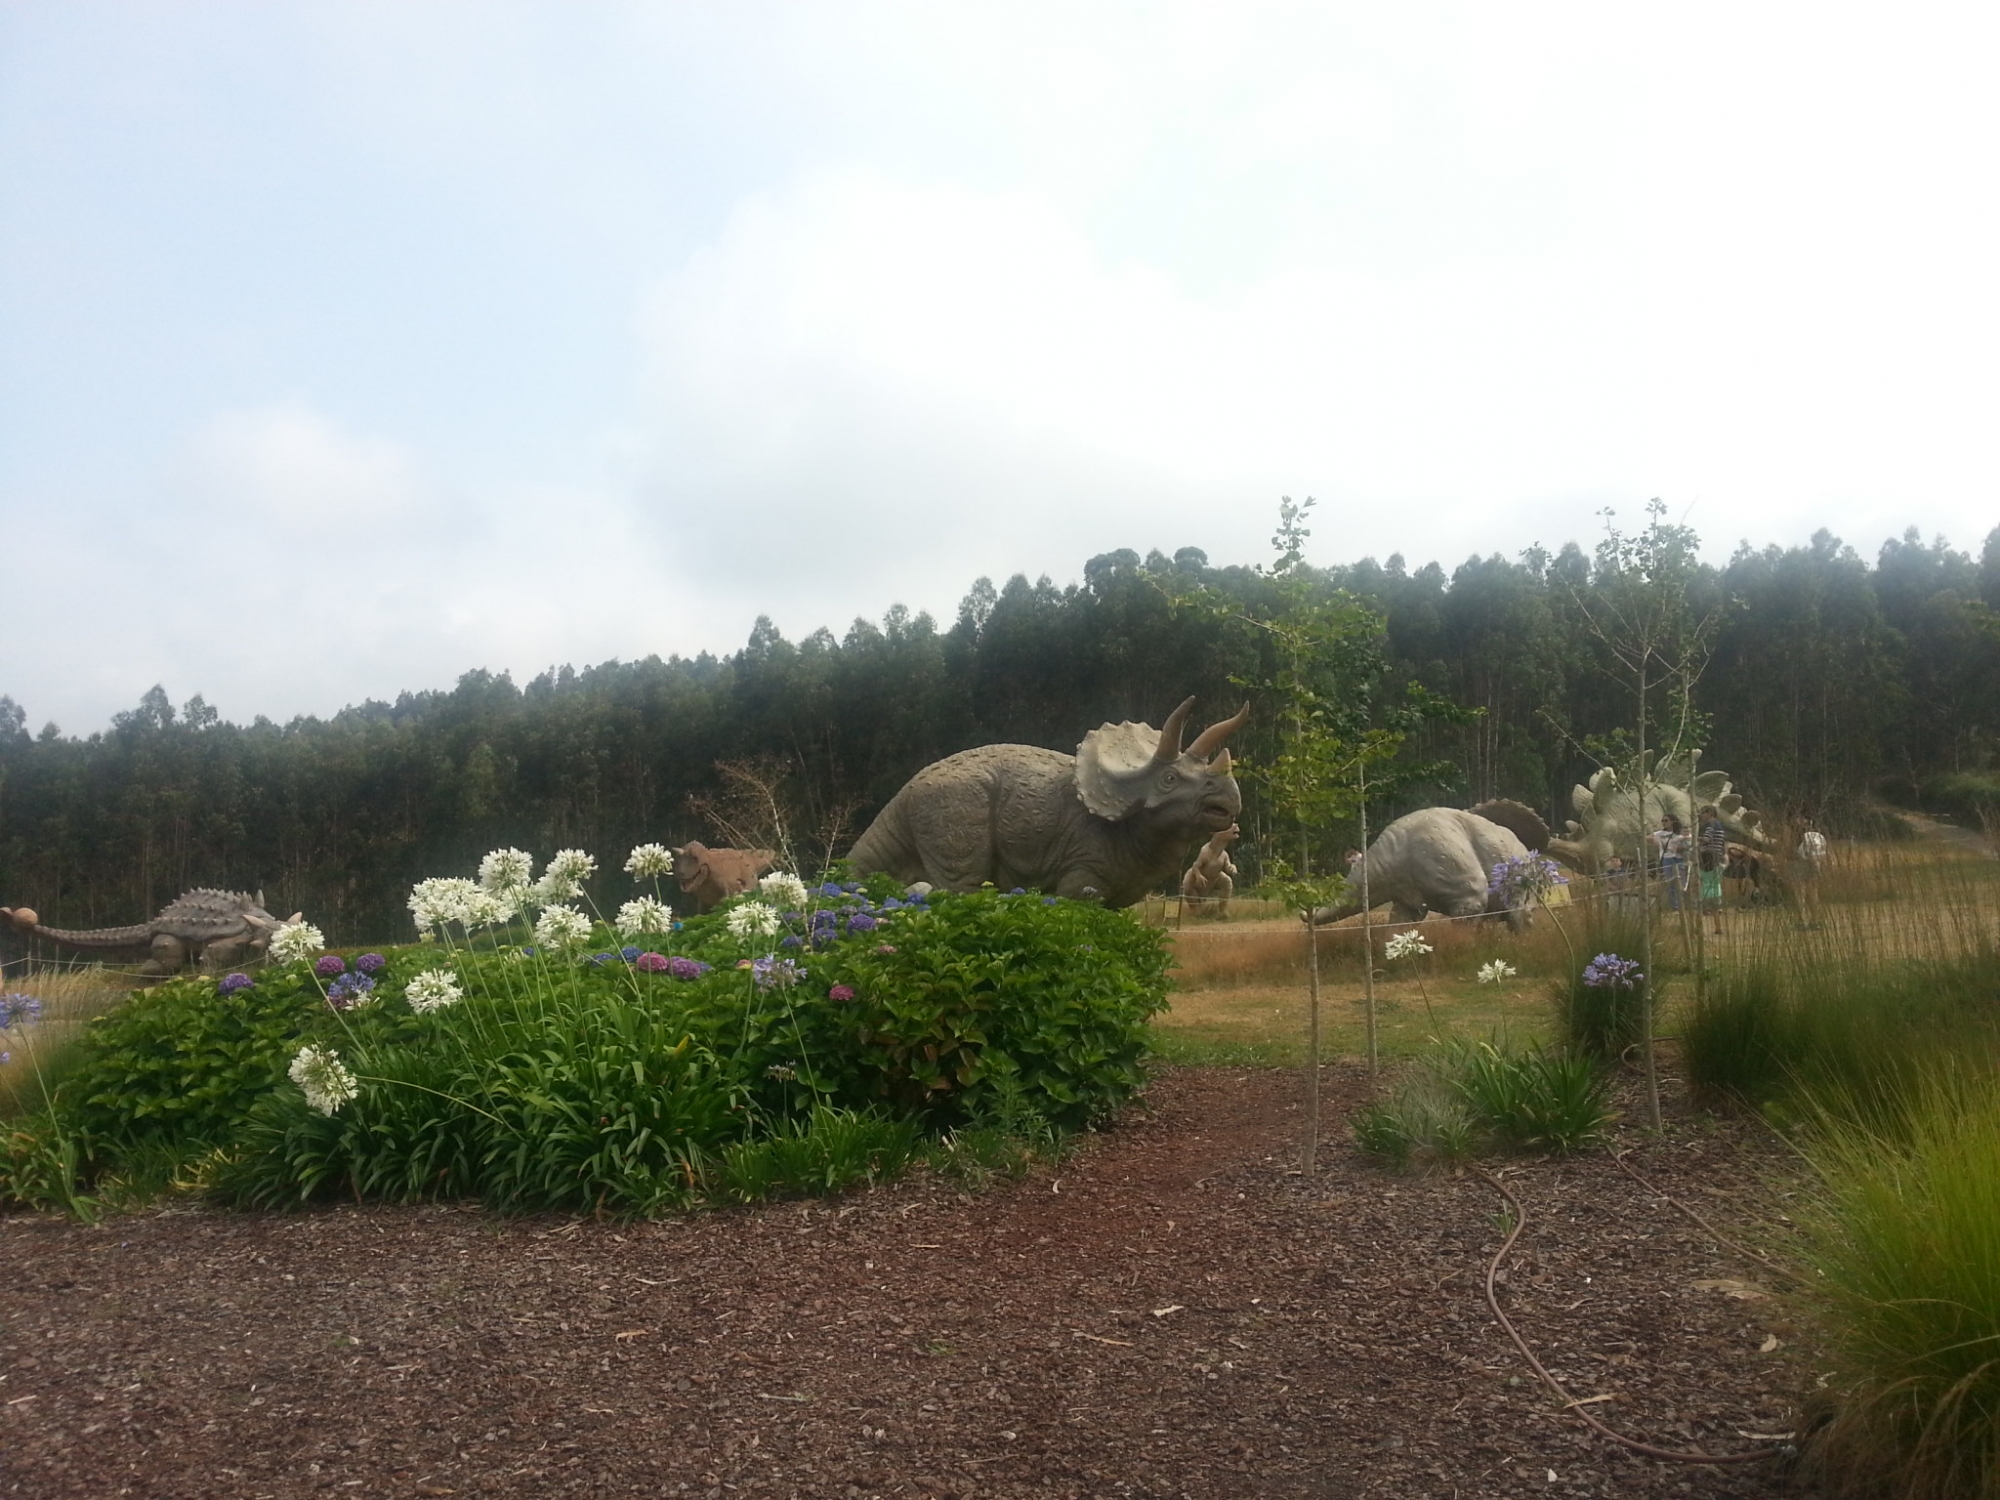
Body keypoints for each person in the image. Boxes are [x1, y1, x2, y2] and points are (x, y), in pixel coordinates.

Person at [1697, 803, 1728, 934]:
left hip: (1708, 855)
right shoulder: (1719, 825)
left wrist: (1694, 839)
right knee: (1715, 904)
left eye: (1703, 812)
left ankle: (1698, 929)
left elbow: (1707, 839)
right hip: (1716, 858)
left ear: (1710, 813)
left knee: (1699, 904)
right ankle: (1718, 927)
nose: (1701, 815)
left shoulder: (1710, 825)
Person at [1650, 813, 1689, 913]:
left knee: (1682, 882)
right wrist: (1657, 842)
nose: (1664, 823)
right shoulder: (1660, 833)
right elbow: (1647, 837)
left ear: (1672, 821)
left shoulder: (1679, 833)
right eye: (1662, 821)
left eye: (1666, 820)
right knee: (1670, 882)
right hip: (1667, 858)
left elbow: (1689, 841)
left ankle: (1682, 904)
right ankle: (1674, 906)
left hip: (1679, 858)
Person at [1796, 819, 1829, 927]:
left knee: (1801, 891)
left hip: (1802, 863)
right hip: (1815, 863)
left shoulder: (1802, 836)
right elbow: (1823, 854)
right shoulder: (1820, 837)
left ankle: (1802, 919)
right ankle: (1815, 919)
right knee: (1813, 891)